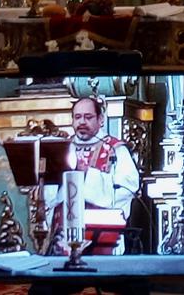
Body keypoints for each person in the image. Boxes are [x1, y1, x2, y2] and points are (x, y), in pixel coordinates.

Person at [48, 97, 140, 255]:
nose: (82, 122)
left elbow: (129, 187)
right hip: (64, 229)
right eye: (77, 117)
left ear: (100, 119)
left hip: (103, 232)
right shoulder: (62, 149)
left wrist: (88, 175)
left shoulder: (115, 149)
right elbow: (51, 194)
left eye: (88, 117)